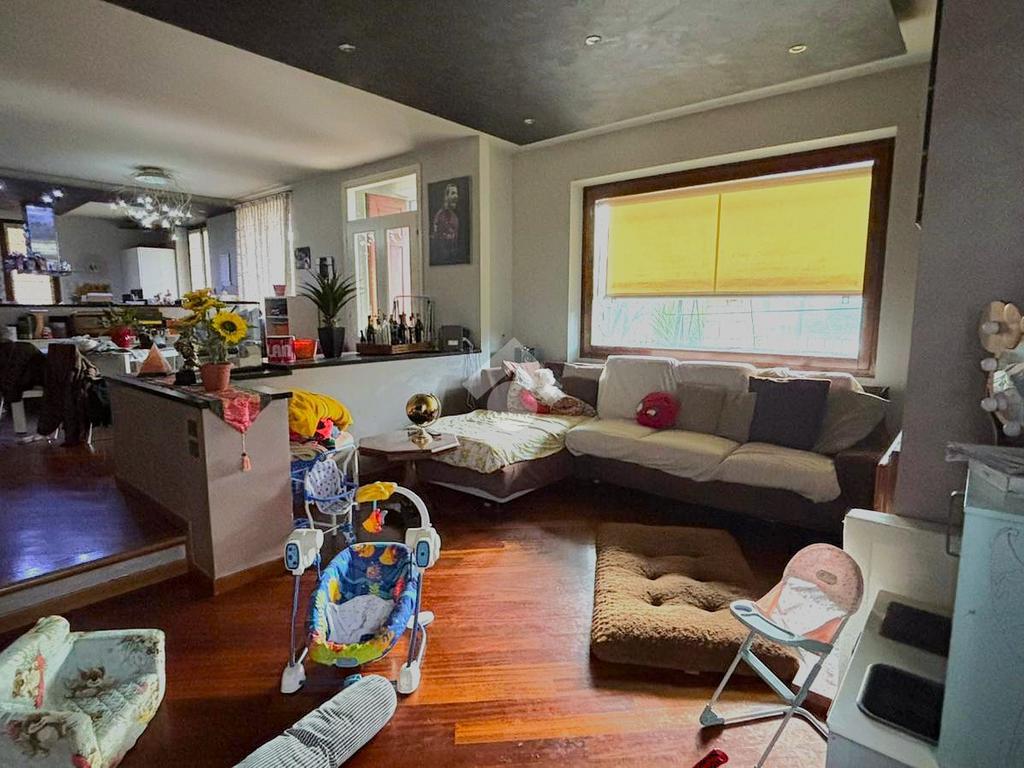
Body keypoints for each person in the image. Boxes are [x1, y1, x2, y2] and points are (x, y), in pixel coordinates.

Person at [431, 182, 460, 262]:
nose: (456, 196)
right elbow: (437, 239)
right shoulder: (439, 216)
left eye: (456, 193)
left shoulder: (455, 217)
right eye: (453, 193)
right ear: (446, 196)